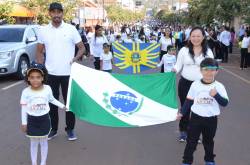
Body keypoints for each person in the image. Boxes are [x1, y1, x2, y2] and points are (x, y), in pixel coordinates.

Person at [36, 2, 85, 141]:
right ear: (49, 13)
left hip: (69, 73)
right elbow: (39, 51)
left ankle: (70, 129)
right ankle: (53, 129)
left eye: (59, 12)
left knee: (70, 103)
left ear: (62, 13)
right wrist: (40, 69)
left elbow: (82, 48)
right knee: (52, 102)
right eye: (54, 12)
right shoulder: (43, 30)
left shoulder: (71, 29)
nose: (56, 15)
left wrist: (75, 58)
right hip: (50, 74)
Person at [177, 58, 229, 165]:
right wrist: (181, 113)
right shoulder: (195, 84)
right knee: (191, 141)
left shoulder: (219, 86)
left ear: (217, 71)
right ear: (201, 71)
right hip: (196, 118)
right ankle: (187, 161)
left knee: (208, 141)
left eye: (212, 69)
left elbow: (224, 103)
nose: (209, 72)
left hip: (211, 119)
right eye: (206, 69)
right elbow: (188, 101)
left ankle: (209, 160)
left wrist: (216, 95)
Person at [173, 27, 214, 142]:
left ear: (203, 37)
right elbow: (178, 65)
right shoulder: (183, 50)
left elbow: (211, 69)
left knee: (199, 110)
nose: (195, 38)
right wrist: (173, 70)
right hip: (185, 84)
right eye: (193, 36)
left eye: (198, 36)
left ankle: (196, 133)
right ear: (189, 37)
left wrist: (211, 84)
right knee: (185, 108)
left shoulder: (208, 52)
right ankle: (183, 131)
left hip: (201, 86)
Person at [20, 62, 66, 165]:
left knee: (43, 142)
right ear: (28, 78)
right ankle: (34, 162)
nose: (35, 80)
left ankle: (43, 162)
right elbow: (23, 108)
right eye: (32, 77)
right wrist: (24, 123)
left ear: (42, 78)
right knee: (33, 143)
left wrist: (62, 106)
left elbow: (52, 100)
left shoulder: (47, 89)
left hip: (44, 119)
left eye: (38, 77)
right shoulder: (25, 92)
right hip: (31, 120)